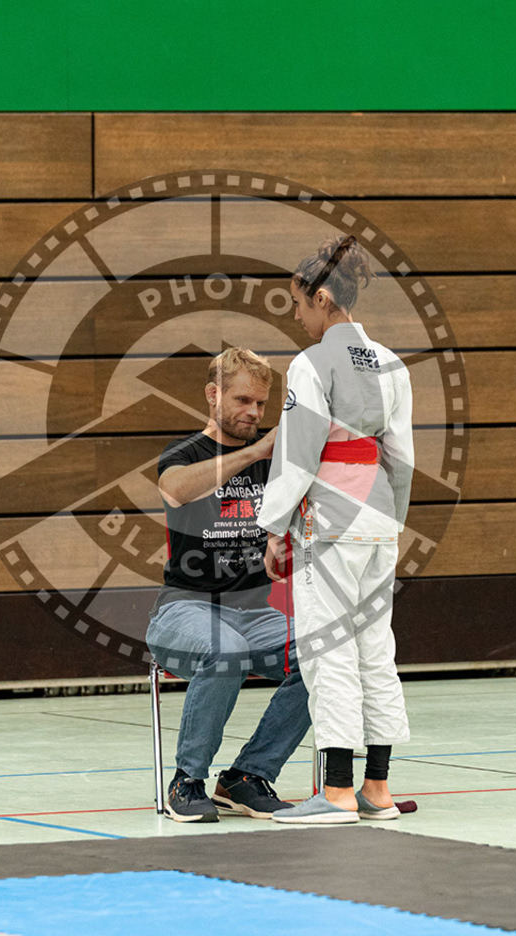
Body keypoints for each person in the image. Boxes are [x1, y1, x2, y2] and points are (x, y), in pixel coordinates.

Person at [257, 234, 414, 824]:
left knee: (330, 651)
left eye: (299, 304)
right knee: (377, 648)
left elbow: (298, 455)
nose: (296, 317)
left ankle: (339, 792)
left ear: (323, 298)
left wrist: (273, 526)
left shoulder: (311, 363)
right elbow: (400, 456)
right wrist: (390, 522)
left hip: (328, 520)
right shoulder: (393, 364)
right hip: (378, 520)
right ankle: (378, 789)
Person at [146, 346, 311, 823]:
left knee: (324, 652)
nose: (254, 413)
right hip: (184, 611)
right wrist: (256, 451)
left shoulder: (273, 464)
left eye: (261, 404)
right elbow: (175, 489)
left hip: (254, 612)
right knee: (227, 648)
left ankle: (248, 776)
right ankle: (187, 781)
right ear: (213, 395)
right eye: (242, 401)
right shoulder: (185, 453)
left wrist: (287, 541)